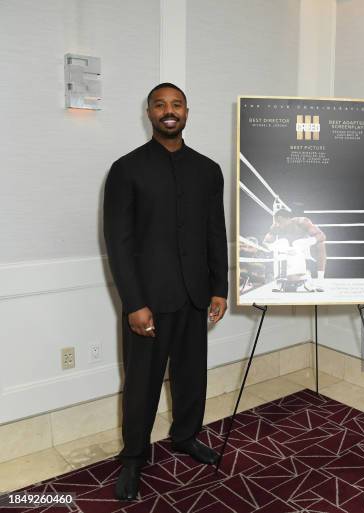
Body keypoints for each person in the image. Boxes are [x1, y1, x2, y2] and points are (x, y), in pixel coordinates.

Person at [103, 83, 228, 501]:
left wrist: (219, 287)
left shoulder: (209, 170)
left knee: (192, 376)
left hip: (195, 296)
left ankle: (186, 436)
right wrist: (133, 303)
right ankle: (134, 456)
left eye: (176, 105)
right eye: (160, 105)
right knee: (142, 383)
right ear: (149, 113)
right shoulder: (126, 169)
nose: (168, 111)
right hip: (149, 301)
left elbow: (216, 232)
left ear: (187, 112)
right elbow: (118, 243)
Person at [263, 207, 326, 292]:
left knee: (320, 245)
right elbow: (265, 243)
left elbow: (322, 236)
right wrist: (282, 249)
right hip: (287, 253)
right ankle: (280, 280)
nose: (278, 224)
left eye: (280, 221)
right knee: (282, 242)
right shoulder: (276, 227)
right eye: (276, 221)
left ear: (289, 219)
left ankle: (320, 280)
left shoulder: (302, 222)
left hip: (305, 249)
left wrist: (307, 242)